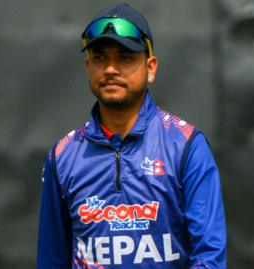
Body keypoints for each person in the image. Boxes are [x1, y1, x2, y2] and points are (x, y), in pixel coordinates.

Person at [36, 3, 226, 269]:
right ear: (87, 65)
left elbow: (209, 259)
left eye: (125, 57)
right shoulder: (63, 156)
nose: (111, 69)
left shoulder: (186, 146)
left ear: (151, 68)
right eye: (100, 57)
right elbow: (51, 261)